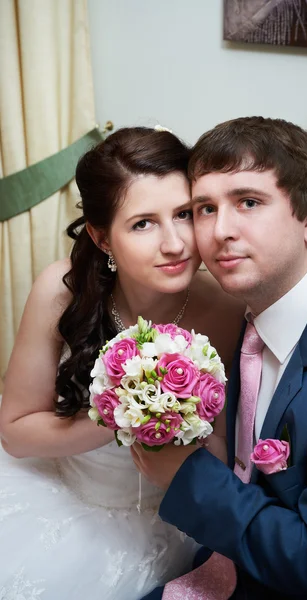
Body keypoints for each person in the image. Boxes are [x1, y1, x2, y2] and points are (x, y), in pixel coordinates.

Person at [133, 117, 307, 599]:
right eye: (205, 209)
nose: (219, 231)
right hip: (237, 554)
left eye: (248, 202)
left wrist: (185, 475)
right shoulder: (270, 301)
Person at [0, 126, 244, 599]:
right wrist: (120, 415)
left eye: (184, 215)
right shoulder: (60, 292)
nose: (175, 243)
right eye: (143, 223)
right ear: (101, 236)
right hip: (68, 491)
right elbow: (13, 431)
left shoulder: (230, 308)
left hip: (171, 514)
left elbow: (228, 445)